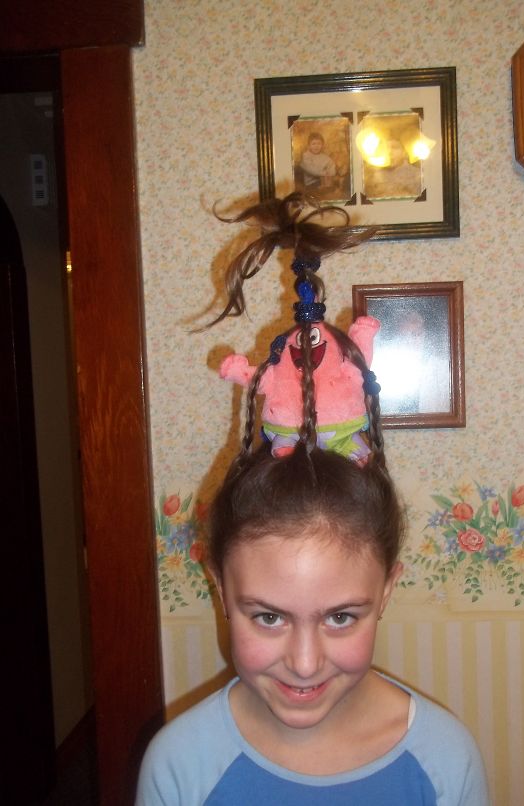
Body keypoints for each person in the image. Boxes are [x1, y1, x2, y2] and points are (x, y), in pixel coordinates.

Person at [136, 194, 490, 805]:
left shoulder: (445, 761)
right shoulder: (179, 766)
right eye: (268, 616)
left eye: (341, 616)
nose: (304, 664)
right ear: (220, 589)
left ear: (386, 592)